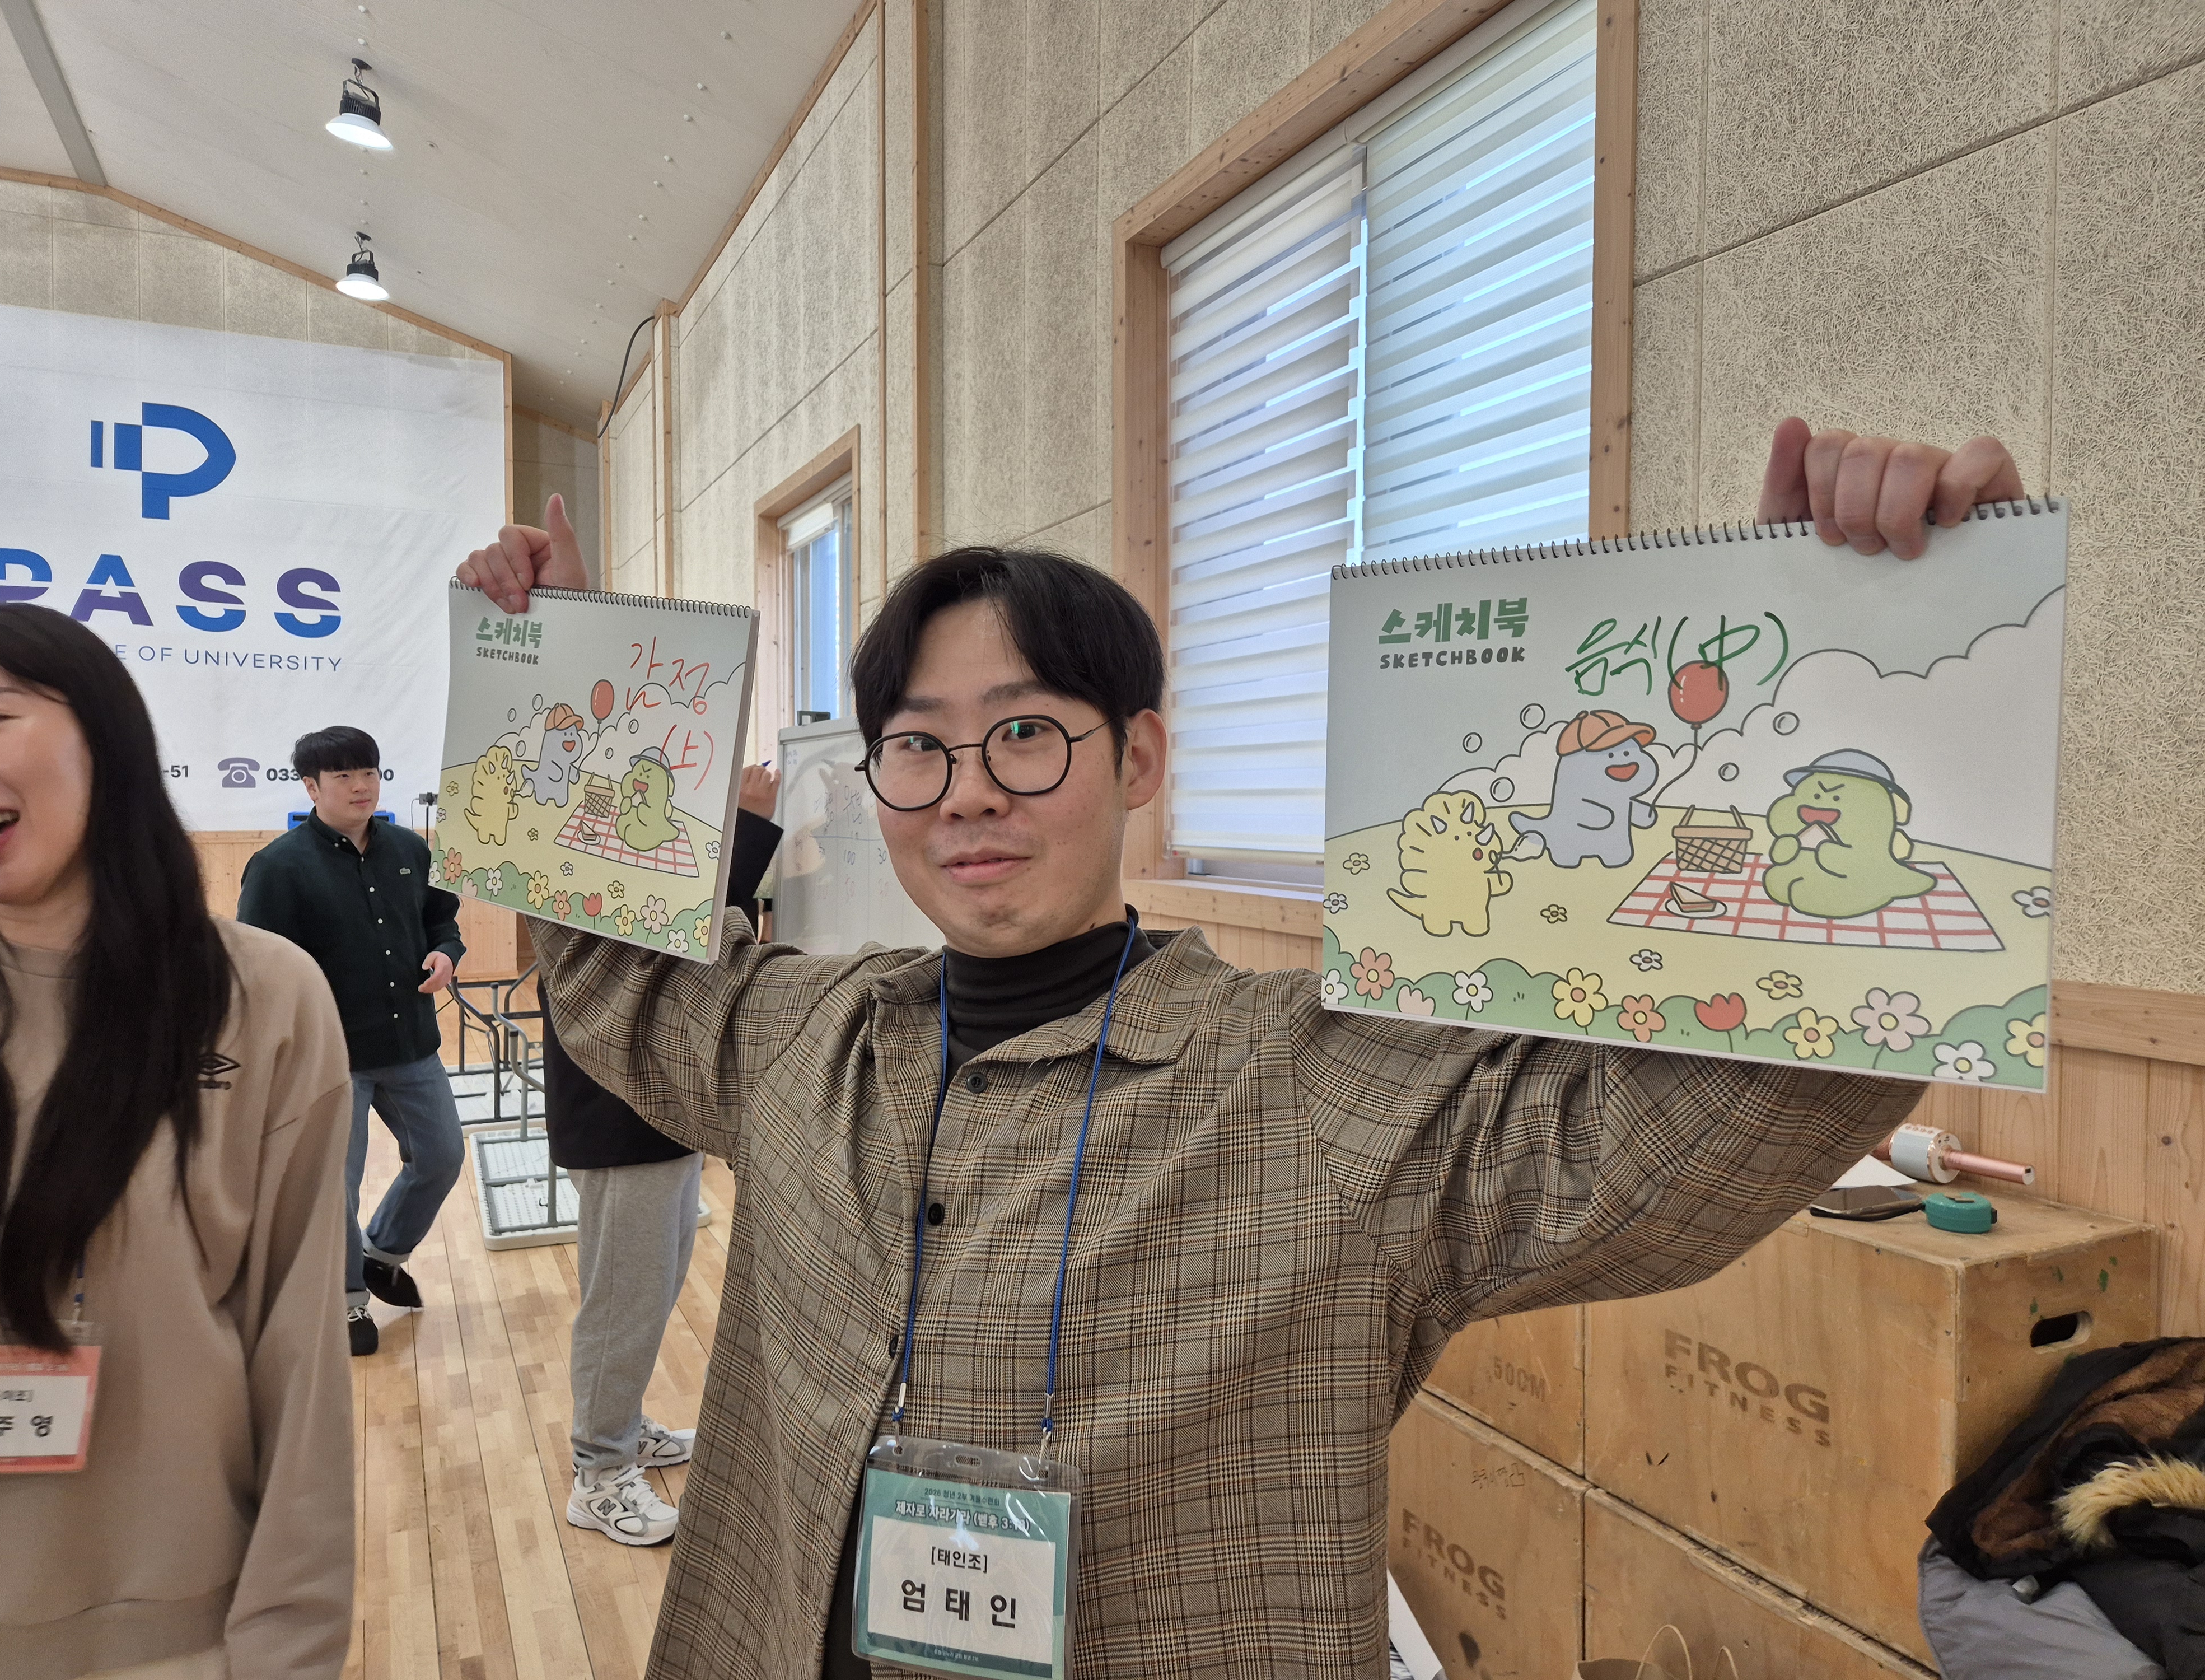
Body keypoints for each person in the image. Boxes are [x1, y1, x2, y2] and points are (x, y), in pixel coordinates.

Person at [457, 432, 2027, 1679]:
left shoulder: (1321, 1086)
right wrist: (574, 667)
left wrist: (1852, 632)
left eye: (1025, 733)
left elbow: (1722, 1127)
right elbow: (608, 973)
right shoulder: (805, 1037)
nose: (968, 791)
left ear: (1139, 755)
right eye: (917, 745)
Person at [0, 604, 354, 1679]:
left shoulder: (261, 998)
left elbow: (300, 1356)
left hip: (182, 1637)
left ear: (108, 740)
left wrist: (286, 1647)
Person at [552, 763, 784, 1546]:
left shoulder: (628, 837)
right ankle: (600, 1471)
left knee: (654, 1283)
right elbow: (682, 932)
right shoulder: (578, 853)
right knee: (625, 1296)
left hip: (665, 1101)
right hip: (619, 1110)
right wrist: (748, 824)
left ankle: (621, 1428)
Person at [237, 726, 467, 1357]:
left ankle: (382, 1254)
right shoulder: (278, 867)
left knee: (443, 1156)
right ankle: (345, 1301)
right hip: (329, 1058)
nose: (362, 786)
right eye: (343, 776)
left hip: (411, 1043)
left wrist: (446, 953)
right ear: (311, 787)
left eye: (369, 772)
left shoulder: (410, 849)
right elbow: (260, 967)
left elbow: (441, 920)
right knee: (336, 1184)